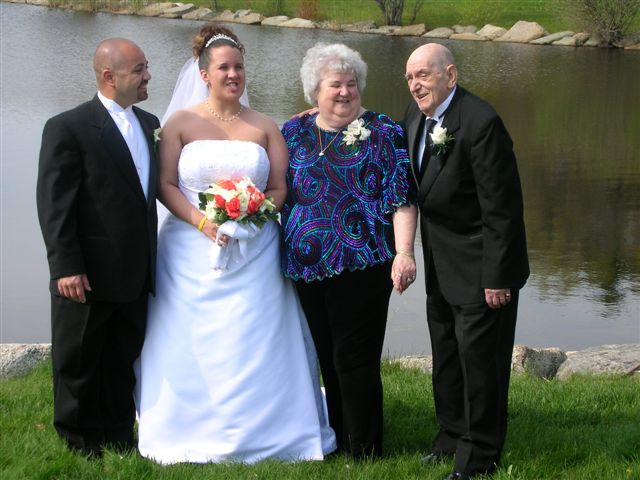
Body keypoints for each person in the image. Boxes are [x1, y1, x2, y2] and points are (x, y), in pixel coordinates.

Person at [134, 25, 335, 464]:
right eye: (224, 67)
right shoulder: (180, 123)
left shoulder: (264, 126)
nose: (233, 75)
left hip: (255, 250)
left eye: (239, 67)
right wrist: (202, 221)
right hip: (189, 250)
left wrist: (252, 213)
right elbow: (165, 185)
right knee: (192, 339)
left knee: (254, 336)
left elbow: (280, 188)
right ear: (204, 74)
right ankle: (184, 425)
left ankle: (271, 428)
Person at [281, 43, 418, 459]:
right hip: (306, 269)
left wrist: (405, 252)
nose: (345, 91)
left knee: (355, 358)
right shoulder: (293, 131)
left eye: (351, 83)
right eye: (335, 84)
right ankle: (339, 438)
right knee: (327, 357)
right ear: (314, 91)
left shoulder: (384, 132)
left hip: (363, 264)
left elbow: (402, 198)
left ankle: (366, 450)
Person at [403, 43, 530, 479]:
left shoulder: (481, 122)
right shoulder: (415, 116)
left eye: (423, 74)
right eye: (410, 77)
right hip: (440, 264)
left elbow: (503, 209)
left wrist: (498, 276)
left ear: (450, 75)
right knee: (448, 359)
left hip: (481, 267)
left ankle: (478, 457)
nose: (415, 84)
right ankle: (450, 439)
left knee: (480, 365)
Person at [36, 38, 159, 457]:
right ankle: (77, 441)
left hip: (135, 272)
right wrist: (65, 267)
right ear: (109, 76)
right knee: (78, 361)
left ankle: (118, 435)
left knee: (121, 358)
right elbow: (55, 205)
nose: (147, 76)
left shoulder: (150, 123)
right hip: (86, 273)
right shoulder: (67, 127)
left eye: (146, 67)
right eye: (139, 69)